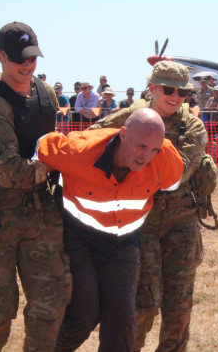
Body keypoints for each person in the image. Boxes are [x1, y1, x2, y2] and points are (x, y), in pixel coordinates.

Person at [38, 109, 183, 352]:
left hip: (123, 241)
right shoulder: (79, 150)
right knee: (84, 313)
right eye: (141, 146)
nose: (146, 156)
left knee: (122, 319)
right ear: (123, 134)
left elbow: (173, 181)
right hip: (78, 238)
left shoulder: (166, 159)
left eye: (154, 149)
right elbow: (42, 146)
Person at [0, 21, 71, 351]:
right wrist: (55, 162)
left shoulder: (46, 94)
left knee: (50, 306)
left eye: (32, 59)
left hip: (42, 215)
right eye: (19, 59)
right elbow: (8, 173)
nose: (27, 66)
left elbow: (52, 141)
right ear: (0, 57)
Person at [89, 61, 208, 352]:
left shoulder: (191, 125)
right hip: (139, 222)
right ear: (152, 88)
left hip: (182, 222)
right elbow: (91, 139)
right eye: (169, 89)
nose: (176, 97)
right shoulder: (131, 117)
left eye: (184, 92)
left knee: (179, 308)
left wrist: (135, 158)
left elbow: (178, 175)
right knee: (142, 305)